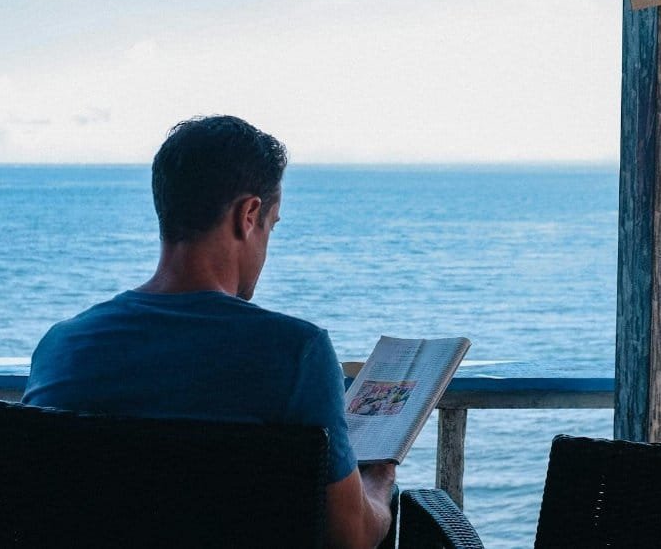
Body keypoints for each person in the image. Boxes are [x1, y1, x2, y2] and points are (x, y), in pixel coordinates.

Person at [23, 115, 396, 549]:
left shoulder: (61, 348)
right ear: (248, 215)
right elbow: (351, 538)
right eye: (271, 226)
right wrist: (378, 480)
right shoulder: (297, 354)